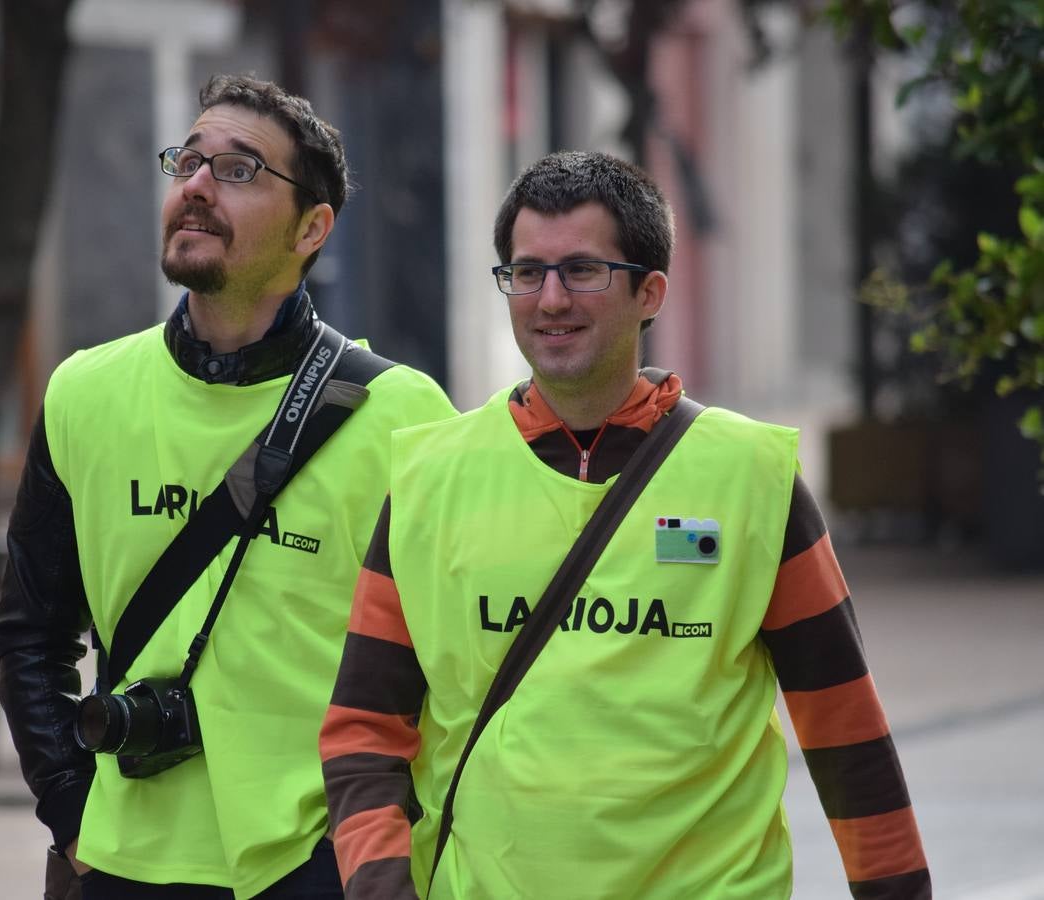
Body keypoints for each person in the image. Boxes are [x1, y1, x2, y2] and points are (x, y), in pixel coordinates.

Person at [319, 150, 931, 899]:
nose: (549, 300)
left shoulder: (751, 478)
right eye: (526, 272)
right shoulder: (427, 478)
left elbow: (847, 734)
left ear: (651, 292)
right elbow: (362, 732)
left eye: (582, 271)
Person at [0, 74, 455, 900]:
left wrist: (381, 853)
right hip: (122, 864)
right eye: (188, 163)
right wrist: (71, 813)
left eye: (239, 171)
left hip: (319, 862)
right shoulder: (83, 394)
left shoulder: (400, 415)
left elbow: (449, 667)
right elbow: (32, 634)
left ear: (313, 227)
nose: (198, 186)